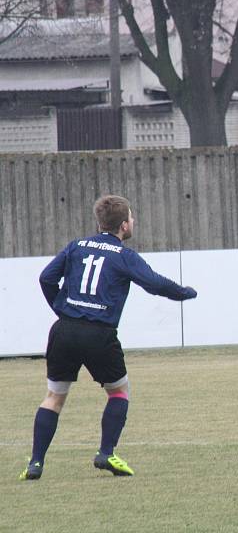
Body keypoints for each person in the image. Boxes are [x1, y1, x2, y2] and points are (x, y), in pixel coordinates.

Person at [19, 195, 197, 480]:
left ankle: (36, 463)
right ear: (124, 225)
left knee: (54, 397)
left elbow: (46, 278)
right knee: (119, 391)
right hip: (99, 334)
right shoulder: (124, 256)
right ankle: (106, 453)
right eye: (132, 218)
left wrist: (62, 309)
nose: (133, 221)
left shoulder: (77, 246)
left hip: (64, 330)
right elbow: (153, 283)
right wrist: (185, 292)